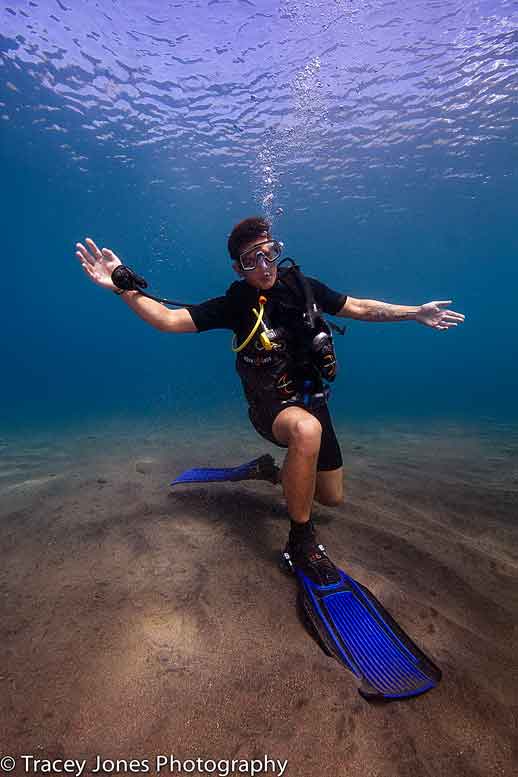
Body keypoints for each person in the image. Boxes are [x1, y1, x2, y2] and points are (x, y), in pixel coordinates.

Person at [75, 216, 465, 581]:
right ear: (238, 268)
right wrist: (123, 287)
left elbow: (359, 307)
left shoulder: (303, 288)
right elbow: (168, 319)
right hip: (270, 407)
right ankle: (300, 542)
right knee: (306, 431)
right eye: (251, 259)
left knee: (331, 498)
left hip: (312, 400)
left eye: (269, 253)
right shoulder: (235, 305)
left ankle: (271, 471)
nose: (264, 266)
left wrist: (415, 312)